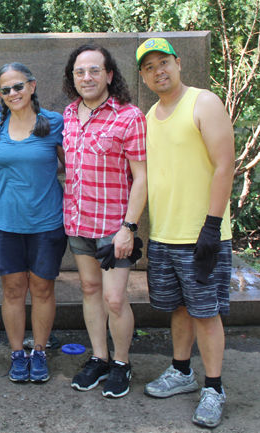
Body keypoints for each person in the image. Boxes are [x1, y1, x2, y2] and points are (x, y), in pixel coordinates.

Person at [136, 37, 235, 428]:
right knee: (178, 308)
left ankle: (214, 388)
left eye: (164, 62)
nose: (158, 70)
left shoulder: (203, 102)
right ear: (143, 77)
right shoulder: (149, 116)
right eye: (149, 67)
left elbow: (225, 164)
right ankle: (182, 371)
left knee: (205, 313)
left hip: (201, 235)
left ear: (178, 64)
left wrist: (211, 227)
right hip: (165, 235)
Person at [62, 44, 147, 398]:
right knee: (90, 290)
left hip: (115, 228)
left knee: (114, 299)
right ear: (73, 78)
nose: (87, 77)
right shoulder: (67, 114)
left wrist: (129, 228)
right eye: (80, 72)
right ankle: (99, 358)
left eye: (94, 70)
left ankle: (122, 362)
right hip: (78, 222)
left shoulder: (129, 117)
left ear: (109, 75)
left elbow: (141, 177)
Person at [0, 63, 68, 383]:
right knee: (13, 289)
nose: (12, 94)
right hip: (4, 222)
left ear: (32, 86)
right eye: (5, 90)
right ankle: (18, 353)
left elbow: (71, 166)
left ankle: (40, 352)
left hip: (46, 222)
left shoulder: (55, 122)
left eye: (18, 86)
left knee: (43, 289)